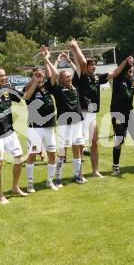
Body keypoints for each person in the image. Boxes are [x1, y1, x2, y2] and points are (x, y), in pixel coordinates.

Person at [69, 39, 128, 178]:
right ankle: (79, 173)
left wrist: (124, 63)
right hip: (82, 115)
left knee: (94, 144)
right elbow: (82, 63)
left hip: (93, 115)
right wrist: (75, 47)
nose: (93, 67)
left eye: (95, 65)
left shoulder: (96, 77)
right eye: (91, 65)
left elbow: (113, 74)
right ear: (85, 67)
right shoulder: (80, 76)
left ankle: (95, 171)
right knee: (79, 145)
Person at [41, 46, 86, 185]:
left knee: (77, 148)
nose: (70, 78)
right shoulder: (58, 89)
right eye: (67, 77)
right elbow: (52, 75)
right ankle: (58, 178)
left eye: (70, 76)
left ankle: (77, 175)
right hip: (64, 122)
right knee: (62, 151)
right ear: (61, 79)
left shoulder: (75, 86)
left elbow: (78, 70)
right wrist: (48, 60)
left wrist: (69, 60)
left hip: (77, 121)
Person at [0, 66, 28, 204]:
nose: (4, 78)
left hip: (9, 131)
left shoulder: (7, 90)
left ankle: (15, 187)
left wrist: (34, 80)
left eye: (5, 75)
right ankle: (0, 195)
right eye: (1, 75)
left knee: (19, 159)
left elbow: (24, 97)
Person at [23, 63, 58, 192]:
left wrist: (46, 59)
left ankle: (49, 181)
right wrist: (35, 81)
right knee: (32, 155)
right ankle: (30, 183)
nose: (40, 74)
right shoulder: (29, 88)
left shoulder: (47, 87)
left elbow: (55, 75)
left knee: (52, 154)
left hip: (49, 126)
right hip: (35, 127)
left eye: (41, 72)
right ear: (32, 75)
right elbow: (26, 97)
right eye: (37, 73)